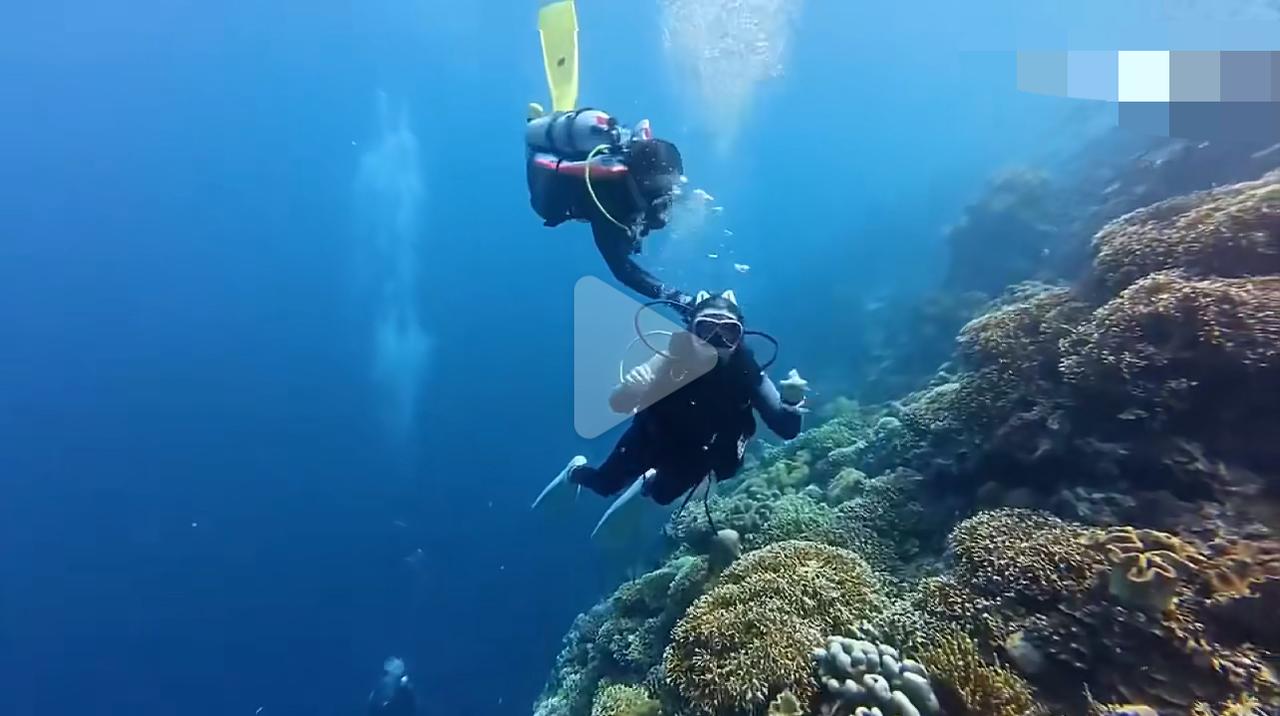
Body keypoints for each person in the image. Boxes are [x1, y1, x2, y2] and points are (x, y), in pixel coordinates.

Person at [533, 291, 809, 520]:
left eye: (727, 331)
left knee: (663, 496)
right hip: (652, 435)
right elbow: (619, 404)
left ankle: (648, 484)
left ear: (740, 338)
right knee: (606, 485)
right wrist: (630, 386)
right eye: (706, 329)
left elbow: (787, 430)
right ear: (690, 332)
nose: (716, 340)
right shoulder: (669, 358)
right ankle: (574, 472)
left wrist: (792, 400)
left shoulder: (747, 372)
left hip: (697, 450)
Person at [526, 107, 695, 313]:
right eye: (655, 194)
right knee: (546, 210)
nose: (663, 202)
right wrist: (679, 300)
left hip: (595, 147)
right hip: (553, 180)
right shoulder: (608, 199)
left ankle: (554, 121)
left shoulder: (644, 174)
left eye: (668, 191)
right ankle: (536, 128)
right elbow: (622, 270)